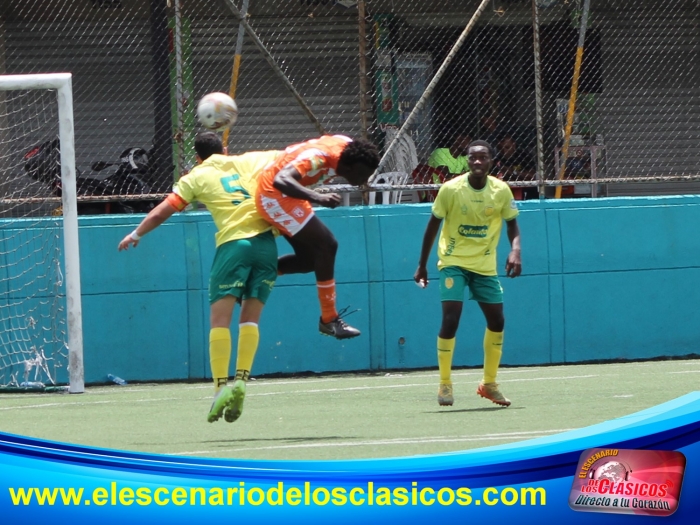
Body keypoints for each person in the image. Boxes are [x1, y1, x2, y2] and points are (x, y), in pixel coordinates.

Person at [118, 132, 280, 424]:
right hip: (267, 244)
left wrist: (136, 233)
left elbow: (163, 211)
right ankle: (242, 380)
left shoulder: (196, 176)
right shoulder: (247, 162)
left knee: (220, 322)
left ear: (196, 156)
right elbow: (285, 162)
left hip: (234, 245)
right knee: (250, 320)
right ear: (225, 149)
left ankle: (220, 388)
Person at [414, 140, 522, 408]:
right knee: (451, 318)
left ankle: (489, 384)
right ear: (466, 160)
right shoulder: (451, 189)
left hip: (484, 265)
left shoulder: (500, 190)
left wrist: (515, 251)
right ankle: (445, 383)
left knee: (497, 320)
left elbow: (512, 225)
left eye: (483, 157)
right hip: (453, 262)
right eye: (473, 158)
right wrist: (422, 264)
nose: (477, 162)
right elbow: (432, 226)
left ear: (491, 161)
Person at [255, 134, 380, 339]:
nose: (364, 181)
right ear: (350, 168)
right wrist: (318, 197)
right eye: (363, 175)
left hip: (290, 195)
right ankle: (329, 319)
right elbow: (281, 180)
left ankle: (257, 275)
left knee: (310, 261)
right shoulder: (318, 158)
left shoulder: (347, 148)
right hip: (273, 195)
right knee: (327, 245)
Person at [494, 134, 538, 200]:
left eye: (507, 147)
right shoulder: (498, 159)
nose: (504, 151)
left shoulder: (524, 156)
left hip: (526, 191)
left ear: (513, 145)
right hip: (507, 191)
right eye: (501, 149)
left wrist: (513, 172)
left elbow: (531, 175)